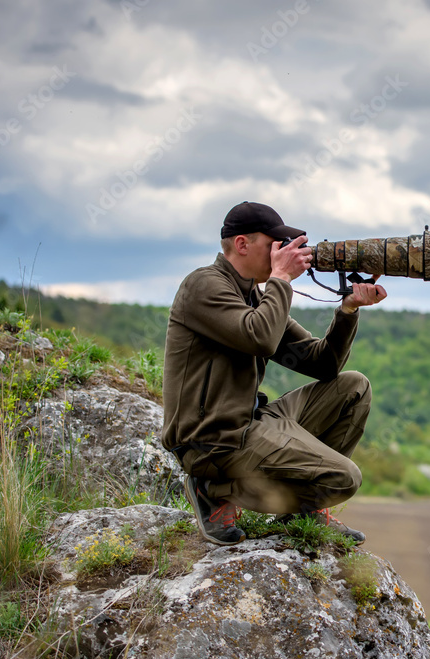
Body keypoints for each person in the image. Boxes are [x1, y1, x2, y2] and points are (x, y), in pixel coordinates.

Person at [161, 201, 387, 546]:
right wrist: (281, 279)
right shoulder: (203, 286)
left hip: (251, 422)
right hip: (213, 441)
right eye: (274, 246)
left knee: (353, 387)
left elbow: (322, 364)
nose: (281, 254)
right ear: (242, 244)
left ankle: (303, 508)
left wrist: (348, 310)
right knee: (344, 479)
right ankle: (213, 488)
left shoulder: (255, 296)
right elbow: (260, 337)